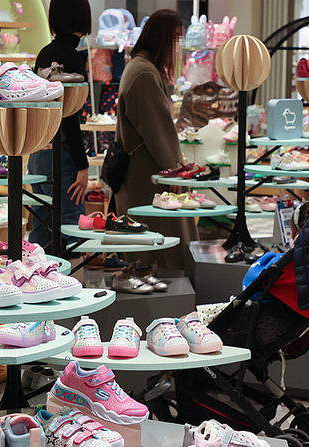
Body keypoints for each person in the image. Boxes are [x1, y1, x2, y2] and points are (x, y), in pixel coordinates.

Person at [114, 9, 198, 272]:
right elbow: (158, 131)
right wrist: (174, 171)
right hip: (149, 179)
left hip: (143, 175)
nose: (178, 48)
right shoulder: (144, 74)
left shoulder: (140, 68)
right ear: (163, 39)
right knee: (162, 251)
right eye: (176, 39)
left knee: (150, 248)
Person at [27, 0, 91, 249]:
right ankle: (75, 285)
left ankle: (32, 281)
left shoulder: (44, 54)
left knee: (41, 228)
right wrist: (82, 165)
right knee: (73, 231)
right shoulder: (72, 58)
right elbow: (69, 117)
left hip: (38, 153)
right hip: (62, 157)